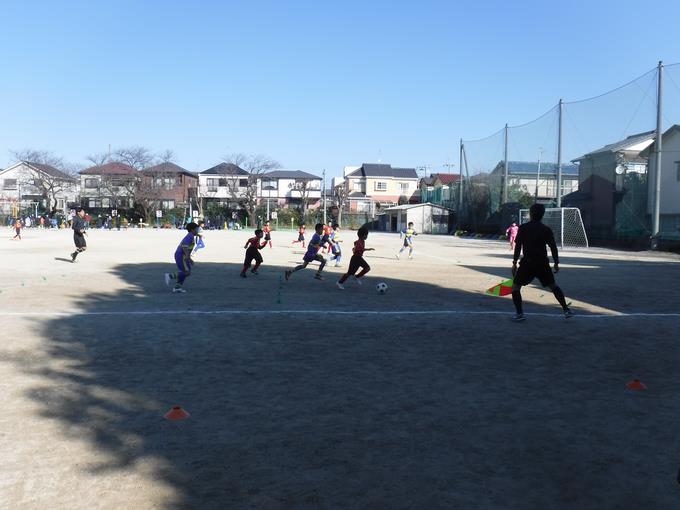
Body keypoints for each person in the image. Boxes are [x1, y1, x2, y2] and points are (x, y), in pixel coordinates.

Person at [511, 203, 573, 321]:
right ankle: (566, 310)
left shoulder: (523, 228)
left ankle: (519, 314)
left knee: (515, 287)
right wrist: (556, 263)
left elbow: (518, 246)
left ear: (531, 213)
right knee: (553, 286)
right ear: (542, 215)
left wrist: (514, 262)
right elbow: (553, 247)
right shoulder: (546, 229)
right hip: (542, 263)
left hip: (527, 263)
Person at [164, 223, 199, 293]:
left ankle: (177, 287)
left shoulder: (191, 236)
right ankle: (170, 276)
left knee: (186, 272)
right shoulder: (190, 236)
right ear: (192, 230)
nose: (197, 231)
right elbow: (184, 246)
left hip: (182, 255)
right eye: (196, 229)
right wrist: (187, 256)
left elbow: (187, 248)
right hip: (181, 255)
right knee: (186, 272)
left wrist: (190, 259)